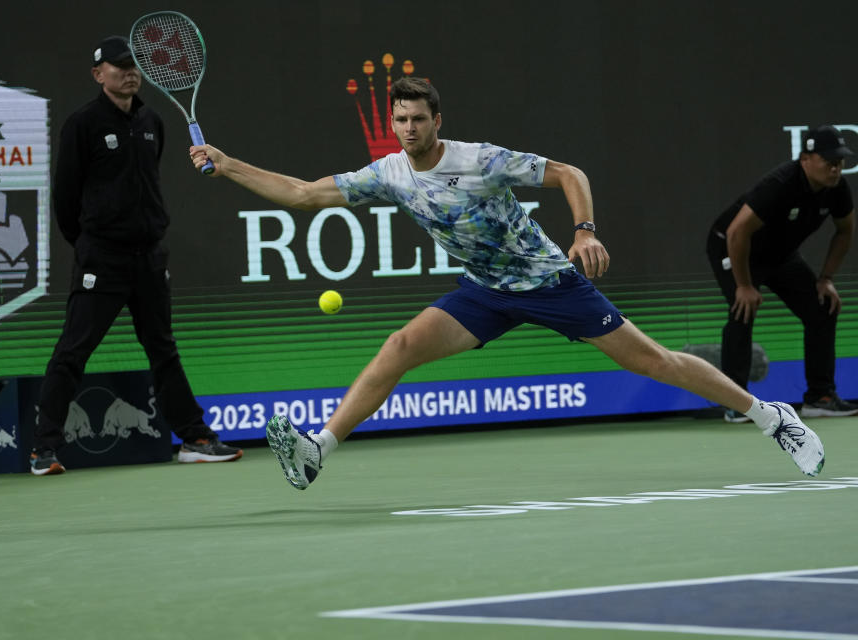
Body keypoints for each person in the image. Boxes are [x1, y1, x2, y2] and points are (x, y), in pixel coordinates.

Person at [190, 77, 823, 490]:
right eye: (400, 119)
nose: (408, 128)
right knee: (399, 347)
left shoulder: (481, 161)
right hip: (484, 291)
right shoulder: (389, 172)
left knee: (654, 360)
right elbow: (302, 193)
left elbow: (568, 172)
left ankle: (771, 417)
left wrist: (584, 231)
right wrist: (227, 166)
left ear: (438, 119)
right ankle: (317, 451)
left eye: (418, 118)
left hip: (549, 281)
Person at [29, 36, 242, 475]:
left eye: (134, 65)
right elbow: (65, 200)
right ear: (98, 74)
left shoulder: (151, 121)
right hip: (102, 260)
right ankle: (43, 448)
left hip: (149, 260)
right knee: (74, 350)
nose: (129, 72)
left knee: (163, 348)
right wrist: (92, 244)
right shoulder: (83, 124)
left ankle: (195, 439)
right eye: (119, 66)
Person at [708, 125, 858, 423]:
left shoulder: (837, 188)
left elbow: (845, 231)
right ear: (805, 159)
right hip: (734, 246)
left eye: (839, 160)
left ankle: (821, 397)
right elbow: (737, 232)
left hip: (780, 255)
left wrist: (826, 278)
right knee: (743, 309)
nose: (835, 167)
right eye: (828, 160)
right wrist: (744, 285)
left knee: (822, 308)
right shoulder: (781, 184)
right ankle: (736, 402)